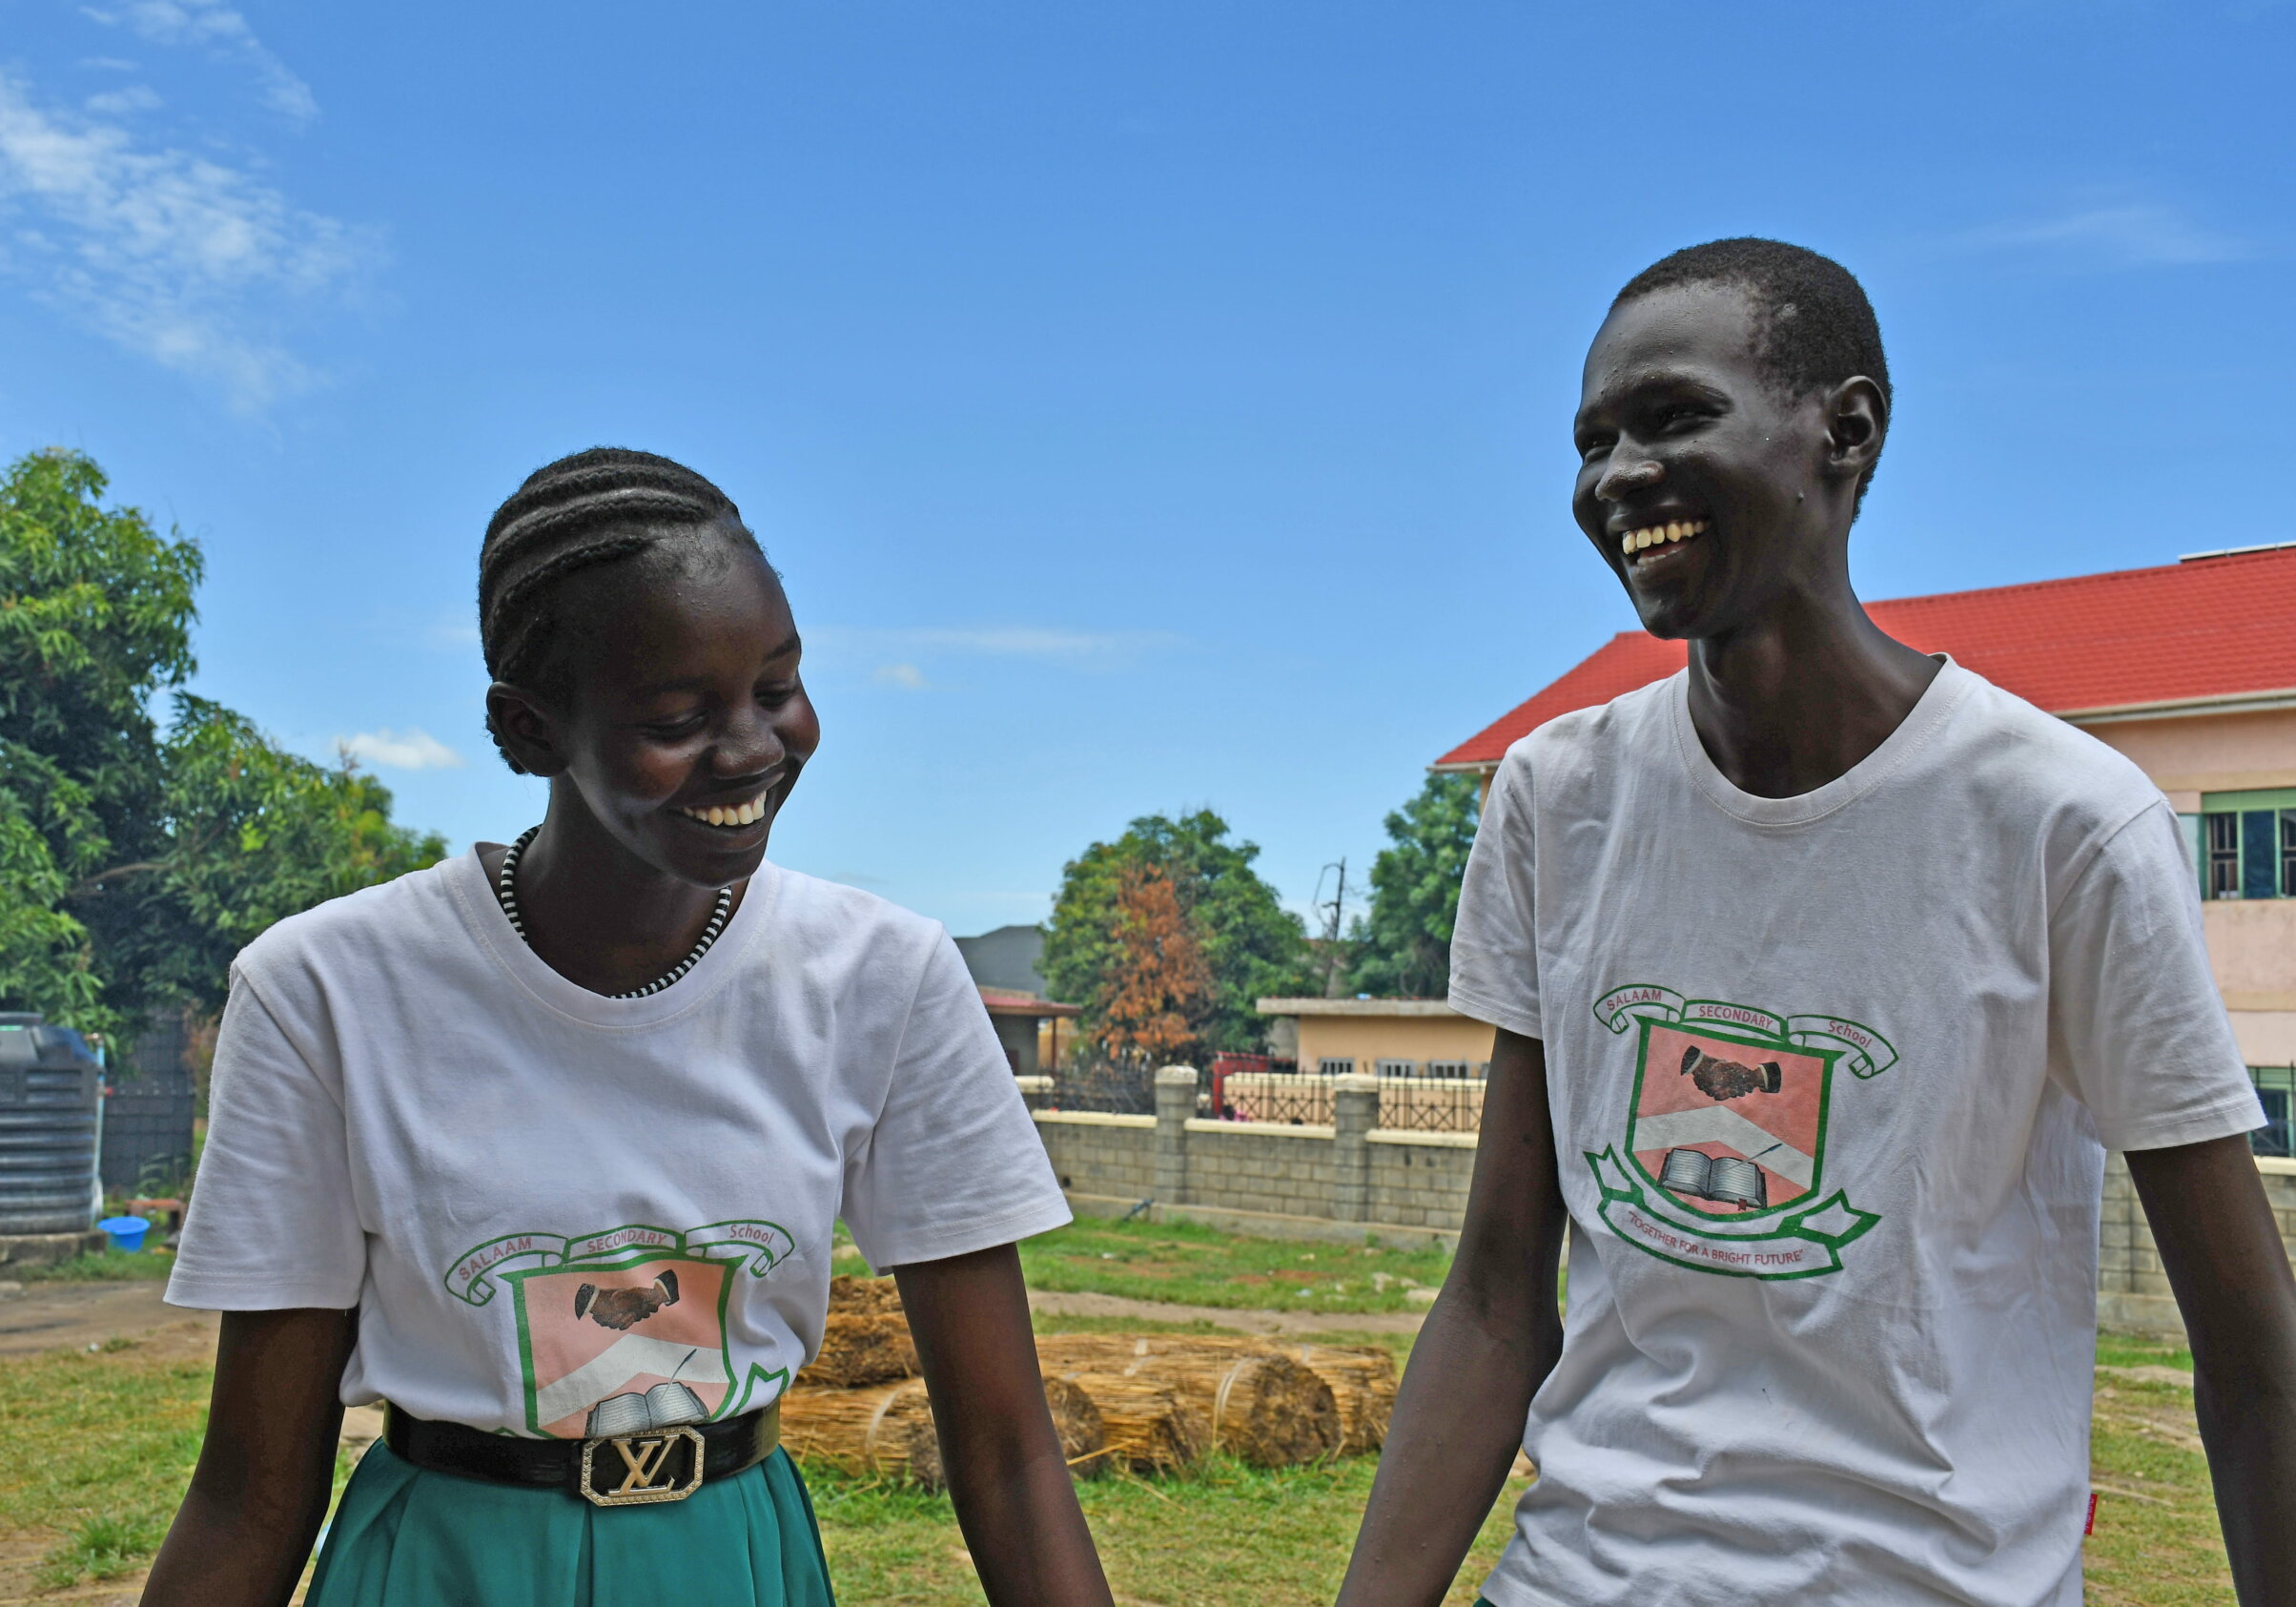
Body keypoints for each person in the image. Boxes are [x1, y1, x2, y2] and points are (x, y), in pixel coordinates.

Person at [1336, 239, 2296, 1607]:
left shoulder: (2064, 824)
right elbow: (1495, 1298)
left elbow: (2256, 1360)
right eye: (1592, 441)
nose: (1618, 479)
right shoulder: (1561, 798)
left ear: (1846, 432)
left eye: (1673, 418)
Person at [142, 450, 1115, 1607]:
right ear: (527, 730)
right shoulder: (327, 992)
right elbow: (252, 1485)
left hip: (732, 1564)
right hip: (447, 1567)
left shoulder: (882, 979)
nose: (752, 748)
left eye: (776, 687)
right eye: (676, 715)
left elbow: (1007, 1459)